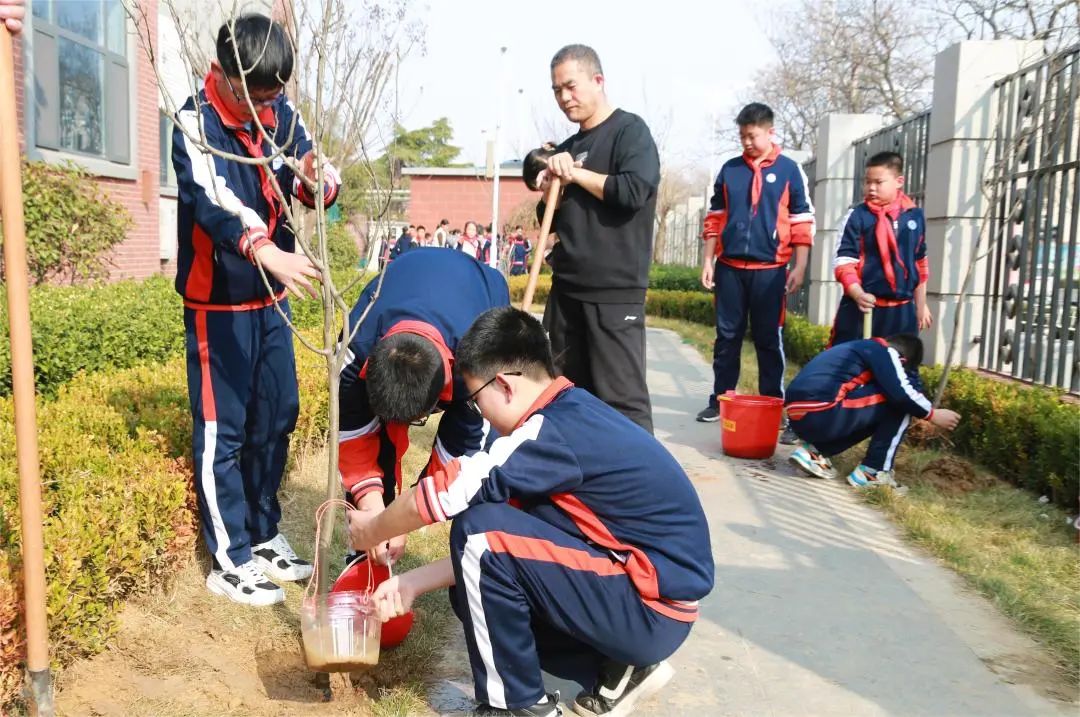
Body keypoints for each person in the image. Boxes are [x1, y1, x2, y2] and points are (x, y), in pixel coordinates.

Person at [348, 307, 714, 717]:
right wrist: (410, 584)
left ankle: (518, 706)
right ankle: (616, 670)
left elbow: (447, 494)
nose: (478, 414)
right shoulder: (571, 411)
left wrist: (373, 529)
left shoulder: (549, 431)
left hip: (649, 606)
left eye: (474, 401)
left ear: (503, 385)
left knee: (477, 533)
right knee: (473, 580)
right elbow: (504, 549)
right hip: (647, 598)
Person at [171, 14, 340, 605]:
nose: (265, 106)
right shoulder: (195, 121)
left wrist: (321, 180)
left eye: (273, 95)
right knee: (225, 429)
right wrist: (267, 251)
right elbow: (215, 203)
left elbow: (306, 174)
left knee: (278, 413)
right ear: (227, 74)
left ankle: (263, 531)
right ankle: (229, 556)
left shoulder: (278, 113)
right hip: (218, 300)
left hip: (271, 297)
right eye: (256, 94)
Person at [338, 249, 510, 564]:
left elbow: (457, 456)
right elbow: (352, 434)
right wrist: (372, 507)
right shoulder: (354, 348)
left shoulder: (480, 364)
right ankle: (363, 553)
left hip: (478, 289)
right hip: (405, 279)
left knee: (479, 464)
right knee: (376, 454)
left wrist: (407, 517)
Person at [535, 45, 661, 433]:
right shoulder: (570, 149)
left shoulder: (630, 132)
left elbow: (633, 191)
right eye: (557, 90)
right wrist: (548, 191)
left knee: (623, 404)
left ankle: (644, 489)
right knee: (559, 393)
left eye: (570, 86)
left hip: (613, 292)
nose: (564, 98)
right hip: (566, 292)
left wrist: (574, 175)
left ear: (598, 80)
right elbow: (549, 221)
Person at [696, 102, 814, 446]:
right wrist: (708, 260)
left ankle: (772, 404)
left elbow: (801, 222)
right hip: (730, 267)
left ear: (770, 132)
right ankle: (721, 397)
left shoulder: (790, 171)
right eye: (743, 136)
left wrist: (800, 266)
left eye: (753, 135)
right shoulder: (730, 170)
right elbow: (715, 218)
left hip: (771, 270)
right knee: (726, 337)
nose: (746, 142)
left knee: (768, 339)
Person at [786, 334, 961, 490]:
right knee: (900, 403)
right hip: (822, 411)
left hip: (798, 415)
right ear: (903, 361)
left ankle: (814, 452)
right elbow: (901, 393)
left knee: (877, 406)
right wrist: (932, 414)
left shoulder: (859, 347)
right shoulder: (885, 352)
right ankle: (874, 472)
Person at [831, 151, 931, 345]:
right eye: (868, 182)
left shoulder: (915, 216)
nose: (871, 188)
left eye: (879, 182)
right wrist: (858, 294)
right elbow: (844, 263)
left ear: (899, 181)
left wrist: (920, 305)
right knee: (852, 368)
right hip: (863, 309)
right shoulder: (857, 216)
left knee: (900, 369)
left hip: (902, 313)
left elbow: (920, 263)